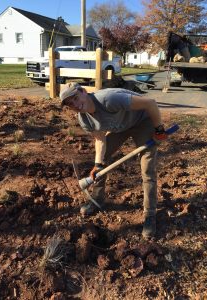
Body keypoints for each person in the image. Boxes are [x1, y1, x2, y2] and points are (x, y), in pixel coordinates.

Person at [60, 82, 167, 238]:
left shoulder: (108, 99)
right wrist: (98, 164)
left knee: (147, 168)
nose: (75, 105)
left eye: (75, 98)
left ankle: (150, 215)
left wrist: (159, 129)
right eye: (70, 104)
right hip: (122, 126)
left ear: (83, 91)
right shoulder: (84, 119)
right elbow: (100, 140)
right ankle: (97, 199)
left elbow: (150, 103)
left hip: (143, 120)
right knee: (102, 160)